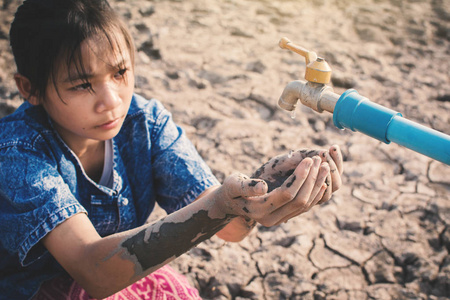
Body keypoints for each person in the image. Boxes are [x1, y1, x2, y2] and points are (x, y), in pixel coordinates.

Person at [0, 0, 344, 299]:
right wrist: (220, 204)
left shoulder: (144, 121)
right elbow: (94, 271)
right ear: (30, 89)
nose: (111, 101)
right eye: (81, 85)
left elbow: (228, 226)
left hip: (118, 277)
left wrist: (263, 192)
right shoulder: (18, 153)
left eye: (120, 73)